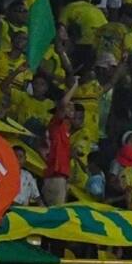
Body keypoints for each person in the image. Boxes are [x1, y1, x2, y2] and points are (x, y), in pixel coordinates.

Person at [42, 76, 80, 205]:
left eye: (72, 108)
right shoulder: (56, 125)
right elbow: (63, 104)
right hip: (55, 178)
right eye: (68, 107)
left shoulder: (67, 132)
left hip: (61, 178)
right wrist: (74, 86)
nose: (70, 109)